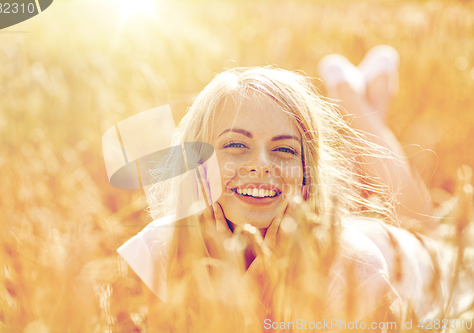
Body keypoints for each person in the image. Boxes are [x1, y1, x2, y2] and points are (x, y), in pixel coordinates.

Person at [116, 46, 470, 332]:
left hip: (400, 260)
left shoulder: (354, 268)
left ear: (306, 173)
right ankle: (367, 98)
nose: (261, 164)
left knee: (422, 222)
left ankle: (349, 94)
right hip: (314, 227)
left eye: (284, 149)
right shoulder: (157, 252)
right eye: (236, 145)